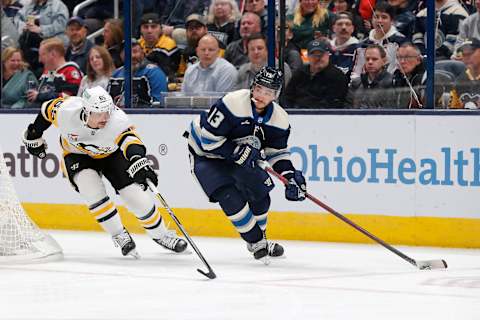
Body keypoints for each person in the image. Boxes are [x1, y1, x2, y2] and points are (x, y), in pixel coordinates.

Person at [21, 86, 188, 258]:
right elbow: (45, 111)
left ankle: (161, 235)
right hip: (76, 155)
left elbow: (130, 141)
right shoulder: (66, 110)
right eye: (98, 113)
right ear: (86, 110)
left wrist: (138, 159)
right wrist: (34, 133)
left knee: (136, 197)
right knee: (90, 189)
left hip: (112, 154)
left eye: (107, 111)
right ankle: (119, 234)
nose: (105, 117)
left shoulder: (117, 120)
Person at [185, 66, 307, 261]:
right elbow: (208, 140)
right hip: (205, 154)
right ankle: (257, 242)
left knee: (261, 194)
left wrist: (290, 176)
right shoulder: (232, 103)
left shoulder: (280, 119)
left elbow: (276, 153)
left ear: (275, 95)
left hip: (240, 156)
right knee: (229, 196)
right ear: (252, 86)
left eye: (267, 92)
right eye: (258, 88)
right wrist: (236, 152)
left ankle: (261, 239)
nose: (261, 95)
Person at [284, 39, 349, 108]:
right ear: (308, 56)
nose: (318, 58)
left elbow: (334, 103)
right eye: (314, 55)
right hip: (295, 113)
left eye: (321, 55)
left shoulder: (337, 76)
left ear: (328, 55)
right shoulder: (300, 73)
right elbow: (288, 96)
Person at [108, 39, 168, 108]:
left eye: (135, 51)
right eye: (127, 52)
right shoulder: (115, 75)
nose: (132, 56)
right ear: (121, 55)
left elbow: (159, 105)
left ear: (142, 52)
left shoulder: (153, 73)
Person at [26, 37, 83, 108]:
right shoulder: (48, 71)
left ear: (53, 54)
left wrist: (39, 96)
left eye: (42, 55)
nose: (39, 60)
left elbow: (69, 97)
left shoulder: (70, 71)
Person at [347, 44, 395, 108]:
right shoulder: (356, 83)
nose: (370, 62)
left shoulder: (391, 83)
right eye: (367, 59)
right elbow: (347, 106)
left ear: (384, 61)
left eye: (374, 59)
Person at [138, 12, 180, 80]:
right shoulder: (138, 43)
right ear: (140, 30)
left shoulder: (168, 44)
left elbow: (162, 72)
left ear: (161, 29)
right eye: (145, 27)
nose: (149, 31)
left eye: (153, 27)